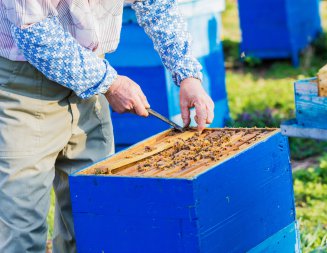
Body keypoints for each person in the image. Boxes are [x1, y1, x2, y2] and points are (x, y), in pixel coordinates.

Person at [0, 0, 215, 252]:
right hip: (24, 90)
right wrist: (110, 83)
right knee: (21, 230)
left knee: (93, 220)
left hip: (91, 85)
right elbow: (34, 32)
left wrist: (187, 73)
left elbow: (156, 3)